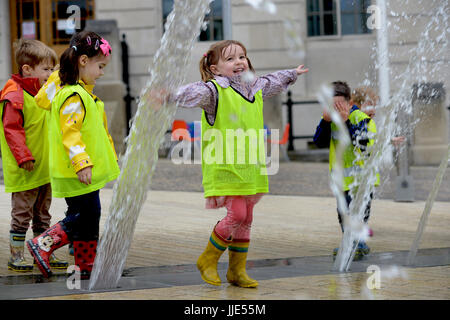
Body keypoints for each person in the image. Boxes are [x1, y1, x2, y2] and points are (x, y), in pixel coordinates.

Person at [172, 40, 308, 287]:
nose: (239, 62)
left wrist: (292, 74)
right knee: (238, 214)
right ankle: (207, 259)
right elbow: (195, 91)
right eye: (231, 59)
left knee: (247, 219)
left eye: (242, 57)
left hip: (251, 167)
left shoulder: (254, 88)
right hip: (225, 167)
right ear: (215, 69)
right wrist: (171, 95)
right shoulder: (215, 91)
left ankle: (237, 271)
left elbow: (272, 81)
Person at [27, 31, 120, 279]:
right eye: (100, 66)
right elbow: (71, 133)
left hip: (82, 170)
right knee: (83, 216)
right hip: (77, 170)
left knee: (90, 216)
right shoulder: (73, 94)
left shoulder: (81, 91)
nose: (102, 72)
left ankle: (85, 265)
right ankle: (43, 243)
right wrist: (81, 163)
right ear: (83, 61)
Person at [0, 39, 68, 272]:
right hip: (25, 167)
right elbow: (12, 130)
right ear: (27, 69)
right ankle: (16, 255)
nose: (51, 74)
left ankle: (44, 250)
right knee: (21, 214)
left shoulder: (44, 93)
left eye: (52, 69)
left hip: (44, 166)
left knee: (43, 214)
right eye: (47, 69)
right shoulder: (15, 94)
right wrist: (23, 157)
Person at [313, 81, 378, 260]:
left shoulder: (360, 119)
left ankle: (356, 244)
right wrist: (325, 122)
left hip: (362, 179)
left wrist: (347, 122)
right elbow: (318, 142)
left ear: (350, 103)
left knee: (357, 213)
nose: (335, 109)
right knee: (343, 213)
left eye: (339, 105)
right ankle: (355, 243)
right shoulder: (330, 120)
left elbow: (362, 144)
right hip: (341, 179)